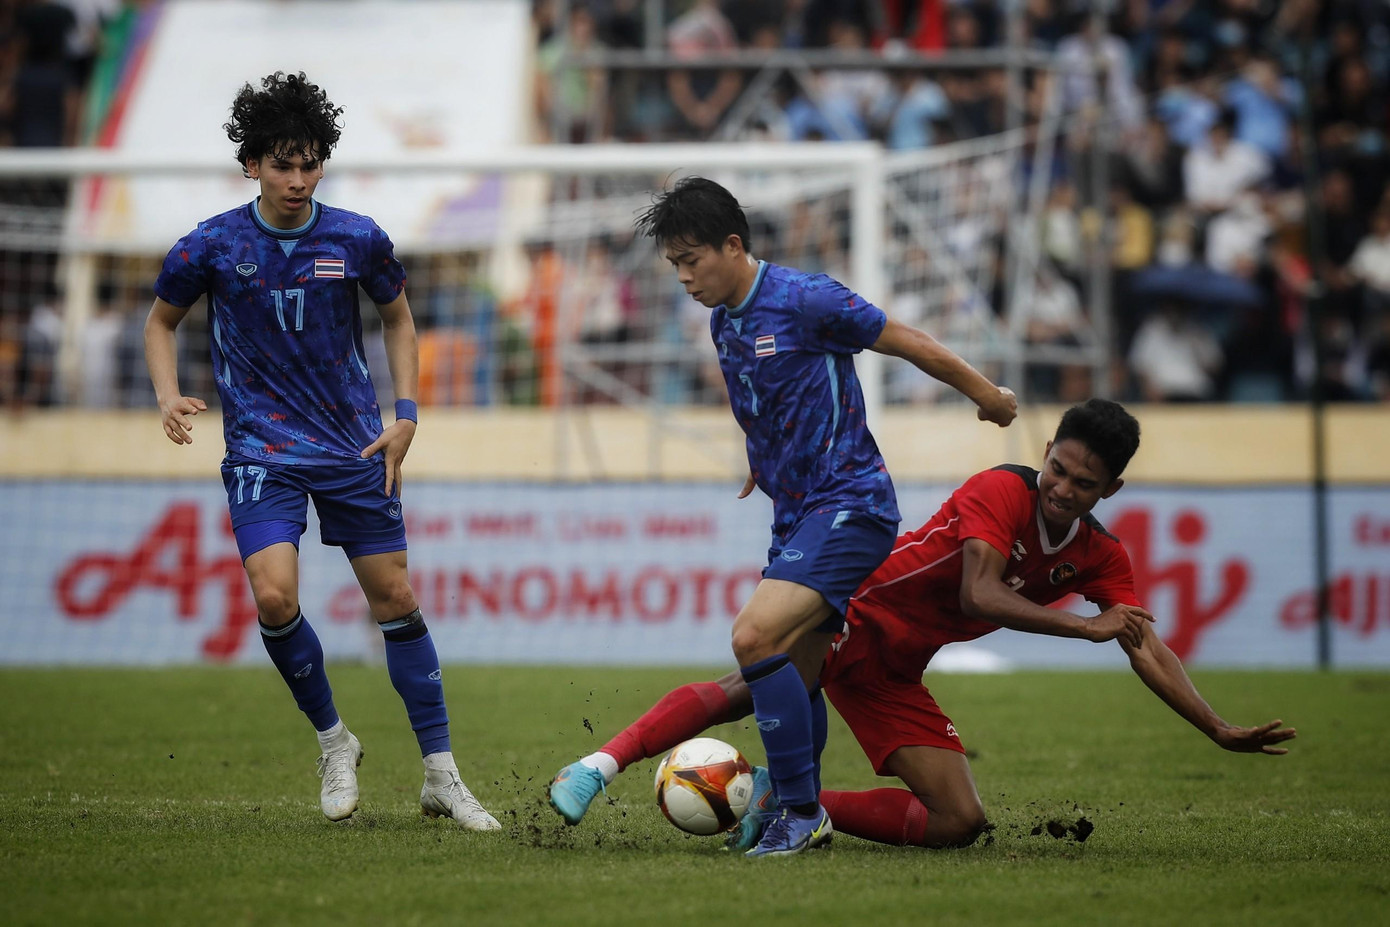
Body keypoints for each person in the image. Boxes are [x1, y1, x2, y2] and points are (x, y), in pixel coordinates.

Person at [547, 399, 1295, 851]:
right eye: (1058, 469)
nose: (1062, 488)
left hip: (897, 665)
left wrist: (1216, 727)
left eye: (1084, 482)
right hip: (855, 603)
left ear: (1113, 489)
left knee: (959, 820)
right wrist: (1084, 630)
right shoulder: (1002, 490)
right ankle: (597, 765)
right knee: (752, 681)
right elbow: (979, 593)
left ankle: (781, 797)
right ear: (1045, 455)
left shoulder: (1100, 554)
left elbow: (1145, 642)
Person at [551, 176, 1018, 857]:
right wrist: (761, 456)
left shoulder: (806, 298)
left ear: (732, 245)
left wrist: (987, 394)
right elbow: (760, 399)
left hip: (852, 503)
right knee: (796, 675)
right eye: (674, 265)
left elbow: (907, 339)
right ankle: (791, 809)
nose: (683, 278)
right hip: (797, 514)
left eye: (691, 260)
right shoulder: (723, 321)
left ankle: (801, 810)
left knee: (753, 636)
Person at [143, 72, 498, 830]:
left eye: (309, 164)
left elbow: (400, 321)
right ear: (251, 165)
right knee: (273, 596)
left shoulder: (358, 237)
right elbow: (159, 323)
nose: (298, 179)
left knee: (395, 600)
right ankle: (335, 740)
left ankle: (441, 772)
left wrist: (406, 414)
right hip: (261, 448)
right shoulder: (209, 243)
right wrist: (166, 393)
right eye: (281, 164)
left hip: (352, 443)